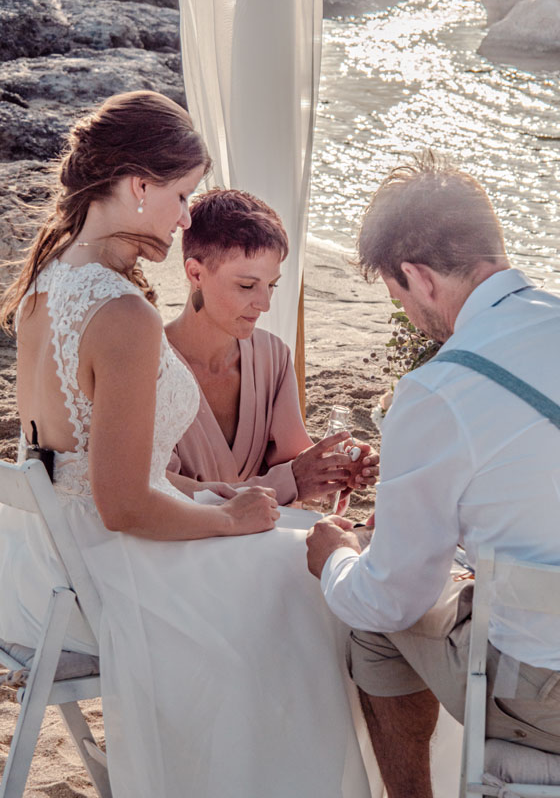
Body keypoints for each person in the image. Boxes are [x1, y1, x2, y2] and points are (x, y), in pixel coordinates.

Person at [0, 92, 372, 798]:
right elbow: (122, 505)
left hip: (40, 569)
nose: (185, 217)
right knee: (316, 579)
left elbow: (84, 471)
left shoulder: (47, 285)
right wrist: (227, 519)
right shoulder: (123, 313)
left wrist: (213, 496)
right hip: (105, 574)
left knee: (292, 539)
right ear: (139, 185)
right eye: (181, 196)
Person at [306, 151, 560, 798]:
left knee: (372, 619)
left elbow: (394, 597)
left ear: (416, 276)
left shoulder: (438, 390)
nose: (409, 316)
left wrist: (337, 558)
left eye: (397, 296)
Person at [165, 188, 378, 508]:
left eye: (272, 285)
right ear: (196, 273)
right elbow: (155, 491)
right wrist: (288, 483)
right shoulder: (149, 365)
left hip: (262, 535)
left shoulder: (273, 356)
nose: (264, 304)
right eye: (247, 286)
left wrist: (334, 467)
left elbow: (295, 457)